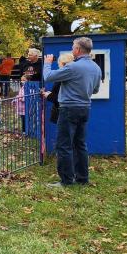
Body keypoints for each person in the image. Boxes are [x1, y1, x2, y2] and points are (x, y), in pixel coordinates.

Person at [43, 37, 101, 187]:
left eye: (73, 47)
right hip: (85, 108)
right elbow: (95, 89)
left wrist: (47, 64)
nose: (72, 49)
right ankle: (82, 178)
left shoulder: (73, 67)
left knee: (64, 145)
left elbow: (48, 77)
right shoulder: (96, 68)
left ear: (78, 50)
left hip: (69, 109)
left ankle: (66, 181)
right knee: (80, 144)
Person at [42, 53, 74, 125]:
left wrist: (49, 95)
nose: (58, 66)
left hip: (63, 111)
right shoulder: (75, 74)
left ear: (63, 64)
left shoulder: (63, 76)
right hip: (73, 110)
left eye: (59, 64)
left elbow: (62, 97)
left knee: (64, 135)